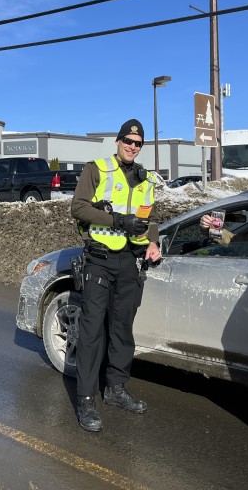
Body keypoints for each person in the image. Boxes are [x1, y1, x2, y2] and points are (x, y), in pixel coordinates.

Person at [70, 118, 161, 432]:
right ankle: (85, 398)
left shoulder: (146, 178)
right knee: (92, 330)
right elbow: (78, 208)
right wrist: (119, 221)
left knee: (122, 329)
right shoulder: (96, 169)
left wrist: (153, 242)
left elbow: (151, 218)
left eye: (138, 143)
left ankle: (115, 388)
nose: (132, 147)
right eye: (128, 141)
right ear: (118, 141)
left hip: (129, 261)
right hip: (99, 259)